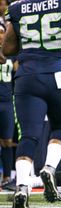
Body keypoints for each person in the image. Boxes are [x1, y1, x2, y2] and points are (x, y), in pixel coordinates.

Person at [2, 0, 61, 208]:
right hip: (59, 74)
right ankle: (49, 167)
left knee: (28, 136)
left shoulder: (18, 6)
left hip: (27, 76)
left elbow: (8, 47)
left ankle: (22, 186)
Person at [0, 23, 16, 188]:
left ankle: (6, 177)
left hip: (6, 101)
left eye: (2, 32)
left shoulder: (12, 52)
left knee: (7, 141)